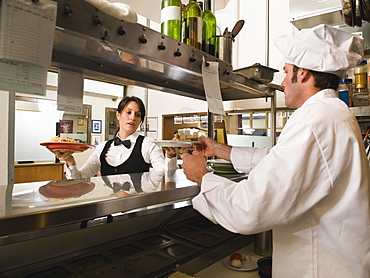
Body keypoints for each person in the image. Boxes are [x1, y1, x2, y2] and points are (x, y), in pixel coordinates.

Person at [181, 24, 370, 278]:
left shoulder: (314, 120)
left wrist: (201, 175)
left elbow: (249, 208)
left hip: (322, 268)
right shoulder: (332, 113)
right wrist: (220, 150)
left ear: (302, 74)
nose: (282, 83)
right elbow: (279, 160)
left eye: (286, 72)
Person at [52, 96, 177, 179]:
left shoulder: (148, 144)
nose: (132, 117)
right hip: (108, 211)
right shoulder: (102, 147)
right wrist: (70, 161)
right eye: (128, 112)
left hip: (136, 209)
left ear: (141, 120)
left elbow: (165, 176)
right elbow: (79, 178)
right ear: (118, 115)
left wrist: (171, 157)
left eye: (138, 115)